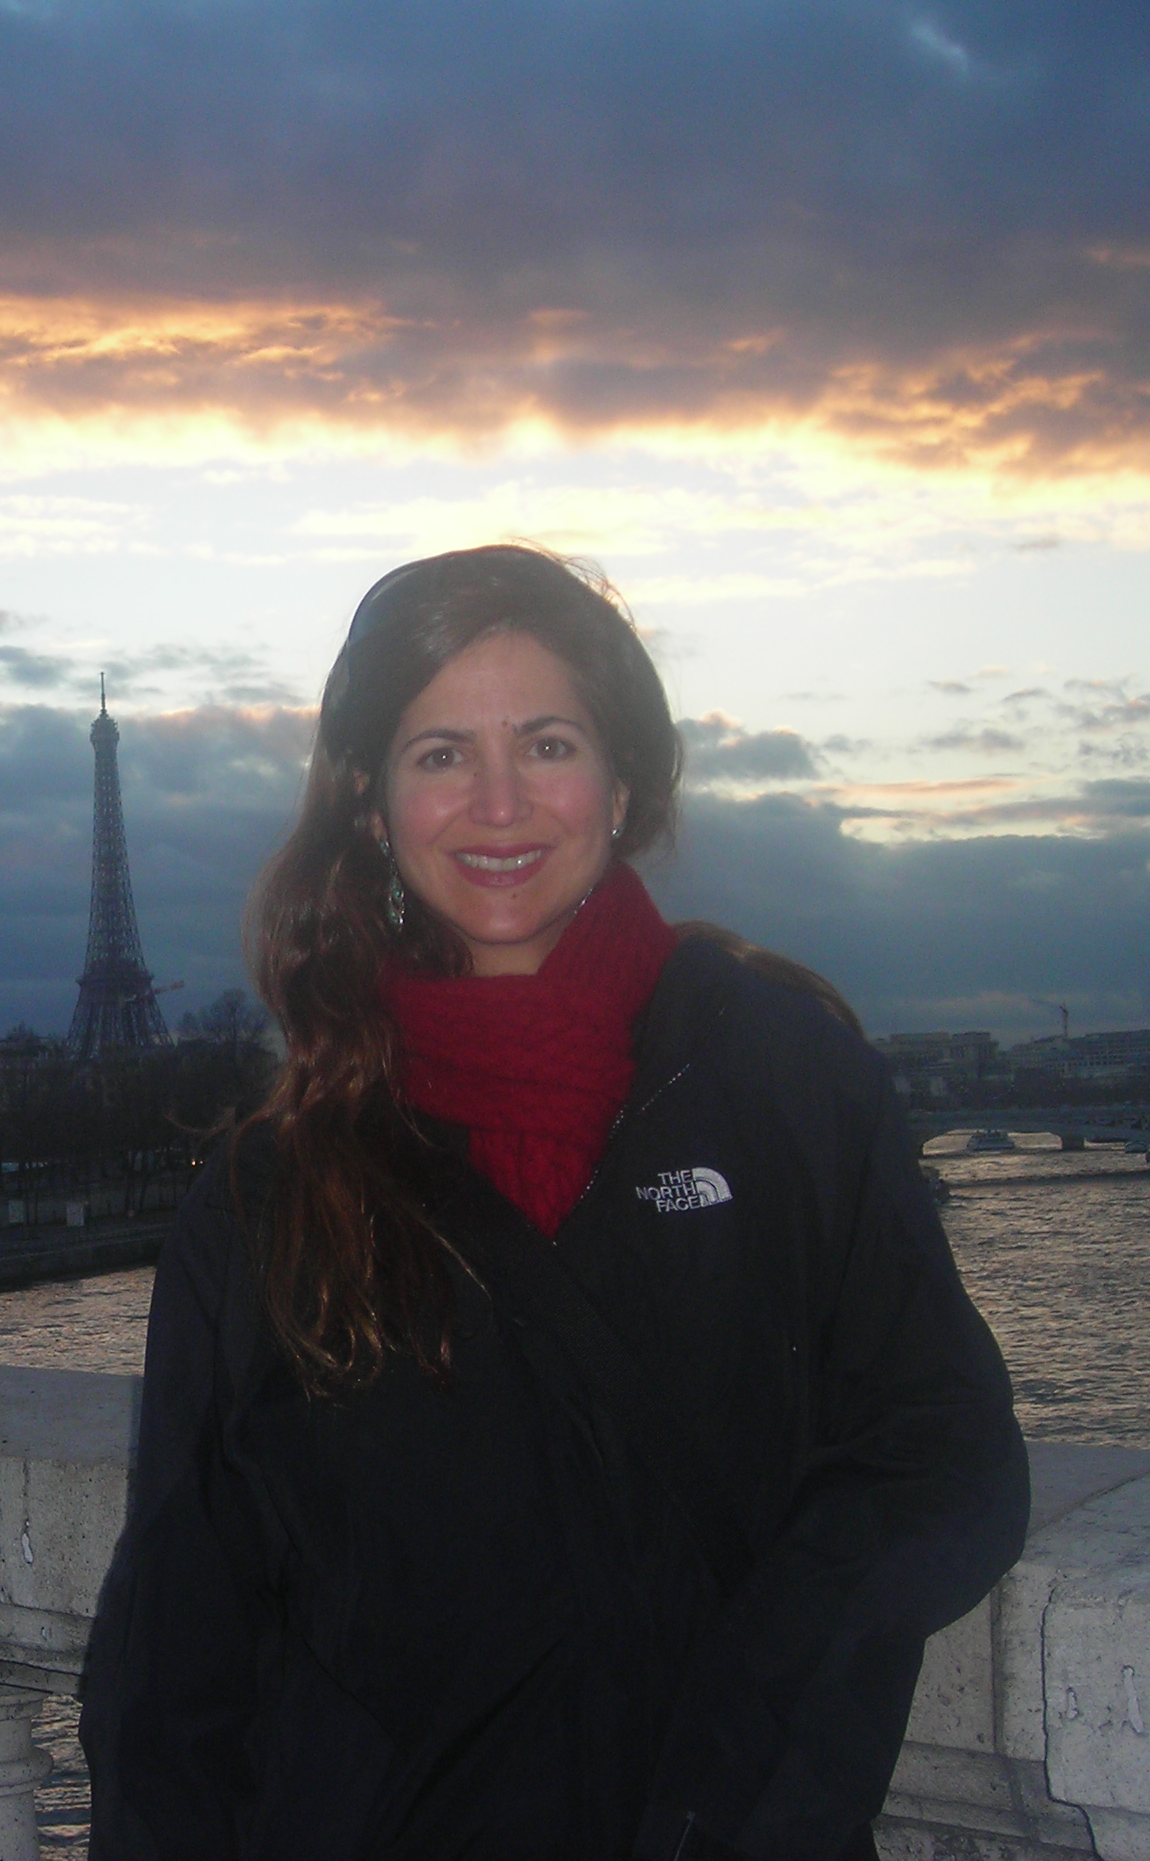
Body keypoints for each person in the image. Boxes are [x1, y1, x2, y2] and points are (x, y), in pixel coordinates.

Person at [79, 545, 1028, 1860]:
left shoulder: (781, 1077)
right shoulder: (268, 1200)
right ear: (370, 806)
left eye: (547, 743)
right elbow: (178, 1661)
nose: (500, 801)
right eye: (441, 754)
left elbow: (943, 1448)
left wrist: (740, 1763)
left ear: (622, 781)